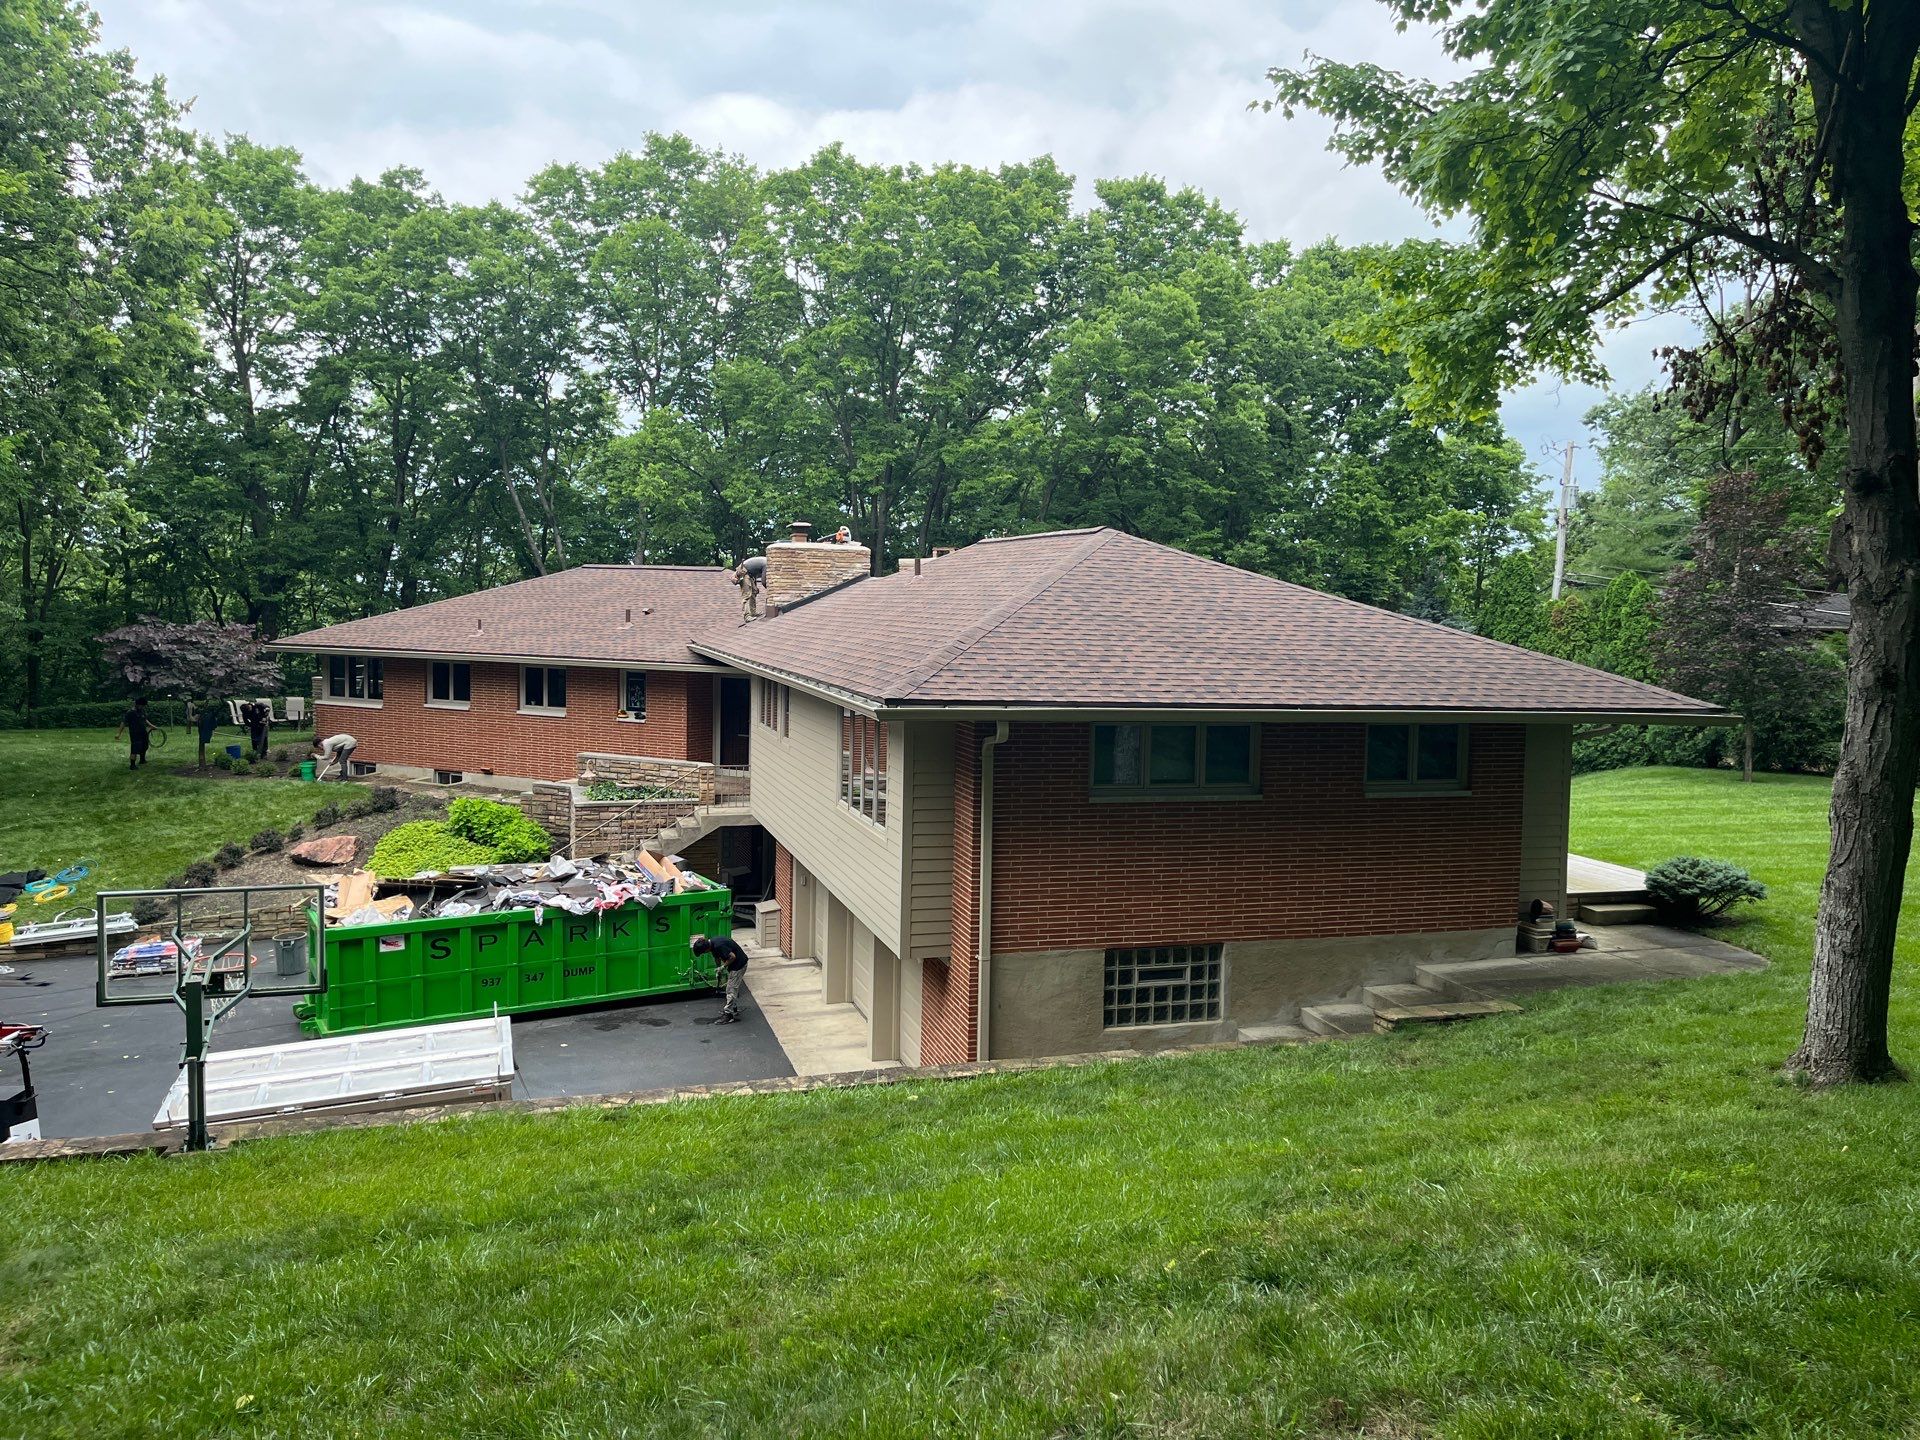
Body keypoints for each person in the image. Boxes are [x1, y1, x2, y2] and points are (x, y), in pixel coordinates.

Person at [690, 933, 749, 1022]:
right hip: (734, 965)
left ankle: (728, 1015)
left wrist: (723, 967)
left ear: (706, 949)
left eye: (703, 952)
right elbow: (717, 958)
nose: (704, 954)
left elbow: (732, 957)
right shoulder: (712, 944)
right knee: (731, 988)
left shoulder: (719, 945)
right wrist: (718, 969)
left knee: (730, 989)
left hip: (739, 965)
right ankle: (733, 1009)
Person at [115, 697, 152, 770]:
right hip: (135, 734)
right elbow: (123, 723)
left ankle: (142, 760)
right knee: (135, 749)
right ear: (138, 704)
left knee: (145, 746)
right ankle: (132, 765)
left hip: (143, 732)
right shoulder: (130, 712)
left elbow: (145, 719)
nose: (143, 707)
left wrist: (152, 726)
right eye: (142, 705)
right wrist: (118, 733)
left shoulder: (142, 710)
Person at [188, 698, 222, 770]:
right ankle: (202, 762)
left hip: (205, 726)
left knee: (204, 737)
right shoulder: (205, 715)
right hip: (205, 727)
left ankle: (202, 762)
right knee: (204, 737)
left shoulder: (207, 714)